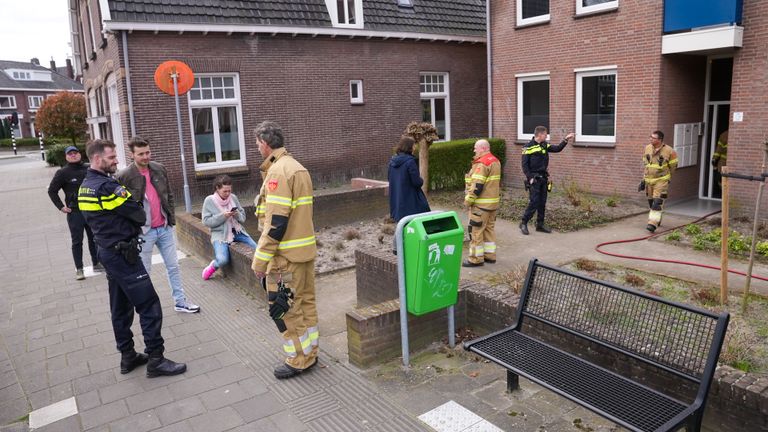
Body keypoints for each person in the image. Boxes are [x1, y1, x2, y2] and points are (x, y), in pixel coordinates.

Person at [78, 139, 186, 377]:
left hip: (107, 252)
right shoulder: (108, 187)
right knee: (149, 304)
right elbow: (138, 214)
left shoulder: (85, 185)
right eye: (111, 157)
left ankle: (127, 356)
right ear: (97, 159)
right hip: (124, 255)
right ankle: (156, 359)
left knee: (120, 306)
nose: (116, 160)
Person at [251, 121, 318, 379]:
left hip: (284, 259)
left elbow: (276, 224)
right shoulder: (298, 168)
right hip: (303, 253)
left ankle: (299, 359)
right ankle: (310, 351)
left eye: (257, 143)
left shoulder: (278, 172)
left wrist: (260, 260)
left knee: (284, 308)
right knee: (305, 304)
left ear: (265, 143)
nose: (257, 147)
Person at [115, 137, 200, 314]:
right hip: (143, 232)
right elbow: (120, 207)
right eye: (141, 154)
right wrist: (131, 230)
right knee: (144, 271)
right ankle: (146, 307)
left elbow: (168, 194)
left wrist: (171, 220)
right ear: (132, 155)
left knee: (174, 266)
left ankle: (180, 301)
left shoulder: (159, 169)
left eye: (148, 152)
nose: (146, 157)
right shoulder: (123, 176)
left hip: (164, 228)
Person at [47, 145, 102, 280]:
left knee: (94, 239)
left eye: (75, 153)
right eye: (70, 154)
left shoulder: (89, 168)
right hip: (75, 212)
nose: (73, 155)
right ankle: (79, 269)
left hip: (91, 210)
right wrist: (61, 207)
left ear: (79, 154)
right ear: (66, 156)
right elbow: (52, 191)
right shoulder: (62, 173)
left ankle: (97, 263)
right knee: (77, 241)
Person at [520, 126, 574, 235]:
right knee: (534, 202)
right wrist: (530, 178)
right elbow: (524, 166)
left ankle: (540, 224)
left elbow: (557, 148)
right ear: (539, 135)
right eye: (545, 134)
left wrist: (566, 139)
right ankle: (524, 222)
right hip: (534, 179)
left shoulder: (545, 145)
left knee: (542, 202)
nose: (546, 136)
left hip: (543, 178)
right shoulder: (528, 147)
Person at [201, 175, 257, 280]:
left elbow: (243, 218)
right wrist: (223, 216)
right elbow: (206, 221)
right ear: (217, 188)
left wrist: (235, 214)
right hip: (220, 235)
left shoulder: (233, 198)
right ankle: (213, 265)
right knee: (222, 260)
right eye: (225, 191)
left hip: (238, 232)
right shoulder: (209, 201)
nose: (227, 194)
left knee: (257, 250)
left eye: (229, 191)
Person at [463, 139, 502, 267]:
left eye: (476, 148)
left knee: (476, 232)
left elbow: (477, 186)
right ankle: (490, 256)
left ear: (483, 148)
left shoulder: (482, 164)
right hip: (493, 205)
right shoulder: (495, 161)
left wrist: (468, 201)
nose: (474, 150)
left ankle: (475, 259)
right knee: (489, 230)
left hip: (481, 206)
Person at [639, 130, 677, 232]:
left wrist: (668, 178)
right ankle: (657, 218)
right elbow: (646, 165)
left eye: (653, 138)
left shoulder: (670, 151)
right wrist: (643, 180)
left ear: (660, 140)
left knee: (657, 202)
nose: (650, 139)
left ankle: (652, 224)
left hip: (661, 181)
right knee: (651, 202)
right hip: (649, 181)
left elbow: (673, 167)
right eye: (650, 137)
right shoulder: (647, 148)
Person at [388, 135, 430, 222]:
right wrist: (421, 180)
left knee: (403, 225)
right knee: (421, 219)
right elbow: (417, 182)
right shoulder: (410, 162)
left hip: (397, 200)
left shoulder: (392, 162)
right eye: (413, 146)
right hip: (410, 201)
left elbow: (389, 178)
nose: (415, 148)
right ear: (409, 147)